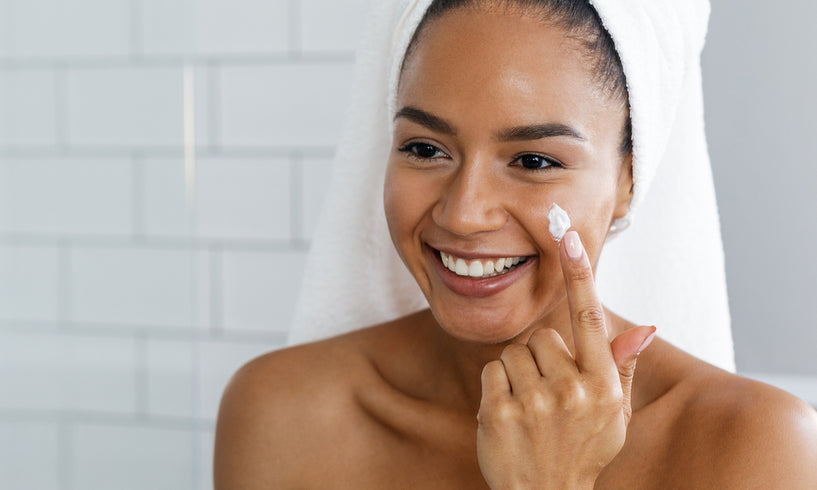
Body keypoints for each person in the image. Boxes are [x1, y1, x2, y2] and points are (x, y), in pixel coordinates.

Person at [213, 0, 817, 488]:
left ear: (629, 180)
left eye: (533, 159)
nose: (465, 213)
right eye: (425, 148)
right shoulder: (283, 413)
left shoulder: (755, 448)